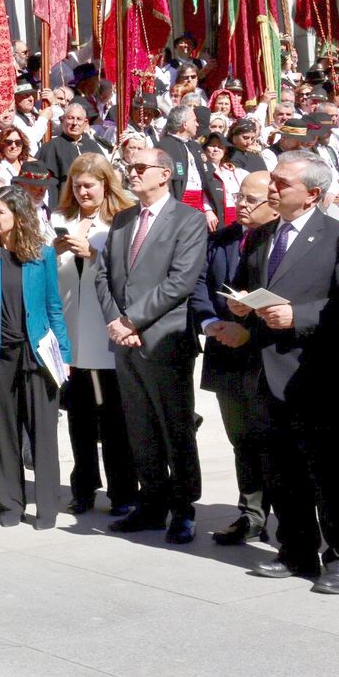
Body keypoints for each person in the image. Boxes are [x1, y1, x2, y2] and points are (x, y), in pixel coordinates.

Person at [229, 152, 339, 593]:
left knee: (331, 473)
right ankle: (296, 549)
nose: (272, 189)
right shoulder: (262, 236)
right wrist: (241, 306)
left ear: (312, 195)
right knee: (283, 470)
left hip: (317, 374)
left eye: (283, 183)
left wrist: (298, 315)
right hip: (266, 371)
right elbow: (251, 285)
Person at [95, 146, 209, 544]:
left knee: (175, 426)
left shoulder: (189, 220)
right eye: (130, 166)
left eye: (141, 167)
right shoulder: (124, 219)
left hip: (164, 340)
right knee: (139, 427)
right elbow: (103, 274)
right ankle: (151, 503)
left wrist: (132, 319)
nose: (132, 172)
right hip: (125, 341)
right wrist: (115, 322)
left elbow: (180, 282)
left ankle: (184, 508)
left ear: (165, 173)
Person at [0, 186, 73, 530]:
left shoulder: (41, 255)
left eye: (0, 212)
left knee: (42, 430)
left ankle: (46, 507)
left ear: (18, 216)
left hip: (38, 351)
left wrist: (65, 354)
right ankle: (10, 504)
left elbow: (53, 307)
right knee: (3, 430)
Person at [188, 170, 275, 546]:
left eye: (250, 199)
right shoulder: (220, 240)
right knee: (241, 439)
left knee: (272, 441)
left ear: (273, 203)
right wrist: (210, 322)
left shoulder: (280, 244)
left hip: (267, 356)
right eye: (238, 196)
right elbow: (199, 285)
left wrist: (251, 327)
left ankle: (289, 518)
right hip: (225, 351)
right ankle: (251, 514)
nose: (241, 204)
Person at [50, 155, 137, 516]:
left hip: (105, 330)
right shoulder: (61, 219)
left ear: (106, 185)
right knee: (78, 416)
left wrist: (95, 253)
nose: (83, 191)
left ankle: (123, 490)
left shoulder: (121, 220)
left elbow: (130, 270)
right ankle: (83, 486)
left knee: (113, 416)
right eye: (77, 185)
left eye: (90, 185)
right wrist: (52, 252)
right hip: (71, 330)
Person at [160, 105, 223, 231]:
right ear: (185, 124)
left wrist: (208, 208)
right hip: (176, 210)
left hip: (200, 207)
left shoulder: (195, 147)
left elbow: (204, 181)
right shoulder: (163, 148)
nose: (198, 124)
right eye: (194, 120)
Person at [40, 101, 105, 199]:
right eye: (70, 118)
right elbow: (48, 184)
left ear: (85, 122)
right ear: (63, 120)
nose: (75, 123)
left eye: (79, 119)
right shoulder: (51, 147)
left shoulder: (92, 145)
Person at [202, 132, 240, 224]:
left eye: (220, 147)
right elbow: (201, 193)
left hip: (233, 215)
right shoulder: (201, 169)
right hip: (214, 217)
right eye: (212, 145)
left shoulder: (230, 171)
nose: (216, 149)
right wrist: (207, 210)